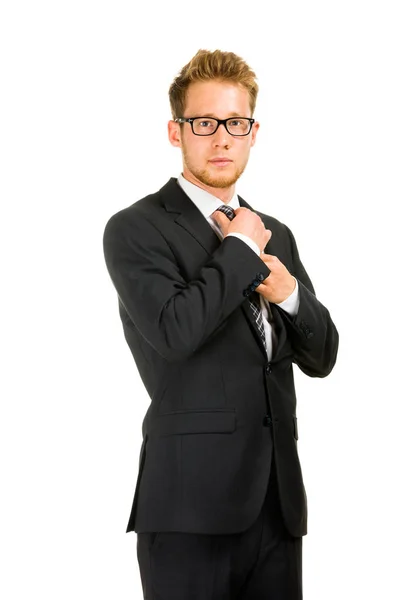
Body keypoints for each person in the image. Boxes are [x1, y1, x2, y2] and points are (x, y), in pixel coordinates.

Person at [103, 49, 339, 600]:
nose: (221, 139)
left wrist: (290, 294)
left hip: (278, 508)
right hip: (188, 507)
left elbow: (323, 356)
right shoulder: (135, 229)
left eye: (235, 124)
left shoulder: (273, 232)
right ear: (175, 131)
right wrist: (237, 250)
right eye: (204, 123)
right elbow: (176, 332)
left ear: (253, 132)